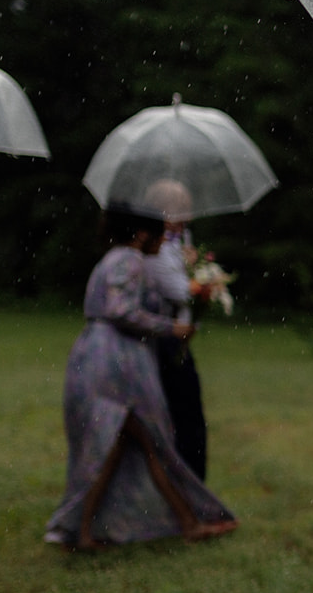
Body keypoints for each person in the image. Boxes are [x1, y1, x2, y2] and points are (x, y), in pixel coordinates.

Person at [45, 207, 237, 549]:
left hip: (97, 352)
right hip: (116, 360)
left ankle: (81, 532)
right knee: (152, 440)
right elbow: (121, 311)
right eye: (160, 233)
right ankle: (189, 523)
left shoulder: (112, 258)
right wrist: (171, 328)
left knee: (116, 444)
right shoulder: (129, 260)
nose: (164, 240)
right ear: (142, 234)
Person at [142, 180, 209, 479]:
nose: (188, 217)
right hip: (164, 340)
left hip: (176, 338)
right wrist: (205, 283)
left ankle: (190, 485)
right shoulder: (155, 249)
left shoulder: (178, 242)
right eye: (182, 210)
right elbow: (179, 291)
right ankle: (187, 488)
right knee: (183, 418)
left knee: (189, 417)